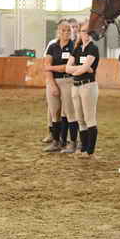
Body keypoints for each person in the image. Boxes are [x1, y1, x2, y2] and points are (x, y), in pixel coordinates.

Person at [41, 17, 78, 153]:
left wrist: (53, 67)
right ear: (58, 31)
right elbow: (46, 66)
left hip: (68, 81)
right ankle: (56, 142)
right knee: (55, 112)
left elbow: (68, 67)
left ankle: (73, 143)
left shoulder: (74, 46)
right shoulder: (52, 46)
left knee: (70, 113)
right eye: (63, 30)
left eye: (69, 30)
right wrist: (51, 84)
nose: (66, 32)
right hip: (53, 82)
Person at [64, 20, 100, 159]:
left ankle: (90, 151)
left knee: (89, 118)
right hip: (76, 86)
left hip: (88, 86)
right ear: (79, 33)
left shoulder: (93, 48)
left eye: (89, 32)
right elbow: (68, 68)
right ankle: (83, 148)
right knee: (80, 118)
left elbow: (84, 69)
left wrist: (79, 69)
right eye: (84, 31)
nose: (87, 34)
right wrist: (81, 69)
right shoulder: (77, 49)